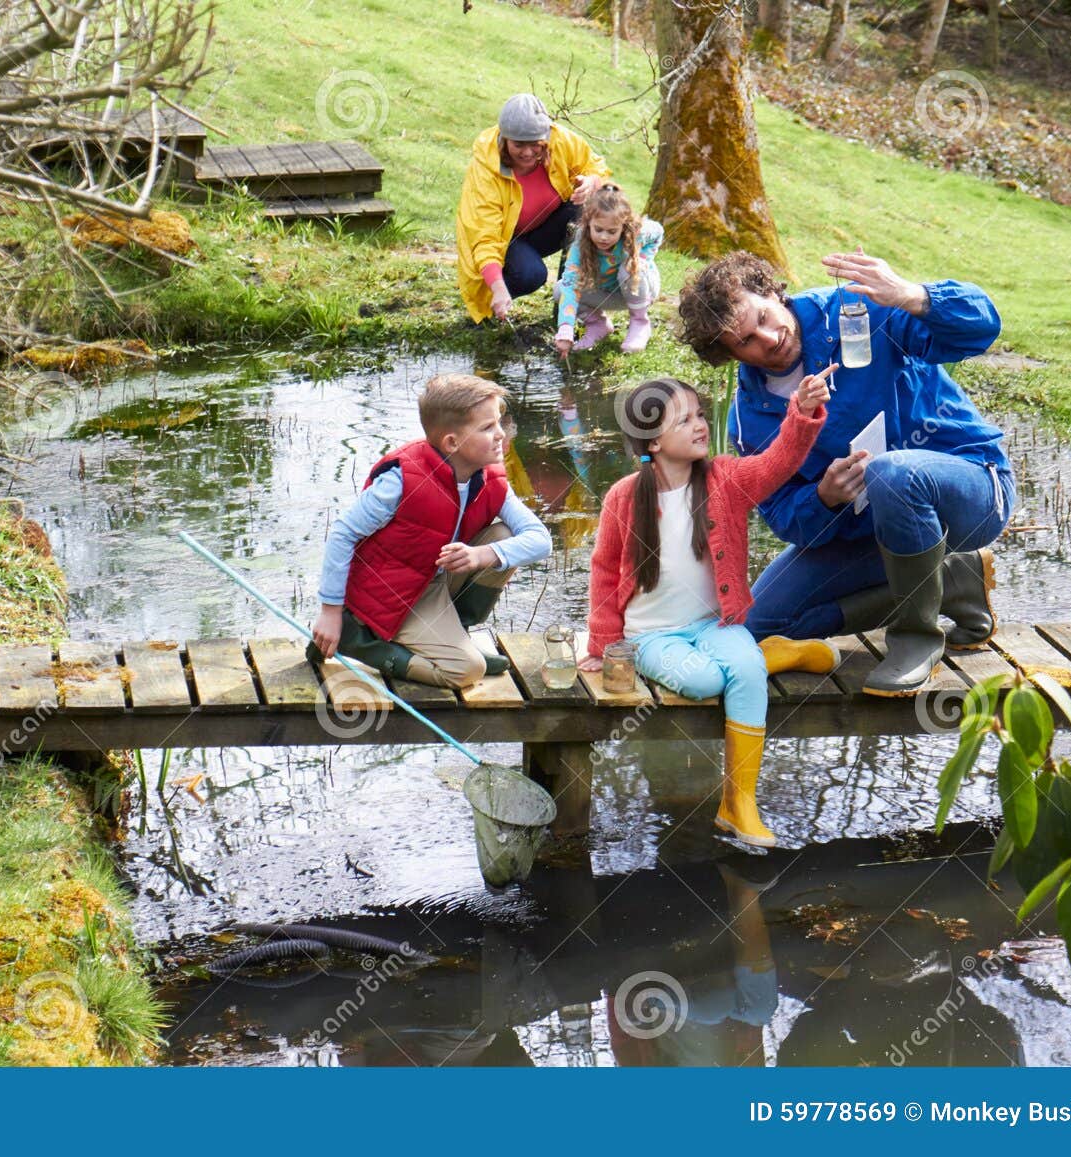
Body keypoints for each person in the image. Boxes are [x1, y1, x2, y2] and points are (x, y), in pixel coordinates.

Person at [676, 249, 1012, 697]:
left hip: (973, 487)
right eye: (746, 340)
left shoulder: (861, 311)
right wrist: (822, 498)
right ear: (729, 353)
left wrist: (912, 296)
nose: (767, 338)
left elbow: (983, 328)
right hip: (874, 533)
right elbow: (784, 518)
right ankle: (951, 581)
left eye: (763, 316)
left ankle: (916, 638)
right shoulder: (750, 417)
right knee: (758, 627)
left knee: (893, 473)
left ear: (772, 292)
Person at [579, 376, 840, 847]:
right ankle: (770, 655)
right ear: (653, 441)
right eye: (686, 420)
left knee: (742, 671)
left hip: (714, 624)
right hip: (651, 637)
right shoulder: (623, 496)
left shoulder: (725, 479)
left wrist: (800, 413)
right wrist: (602, 646)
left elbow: (778, 462)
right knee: (705, 681)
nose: (700, 425)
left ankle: (737, 802)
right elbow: (602, 573)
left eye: (701, 414)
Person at [310, 374, 551, 688]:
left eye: (499, 424)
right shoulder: (401, 481)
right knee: (467, 671)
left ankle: (455, 634)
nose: (500, 435)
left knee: (503, 537)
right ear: (452, 442)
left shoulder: (489, 480)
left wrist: (482, 554)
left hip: (434, 580)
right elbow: (344, 533)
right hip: (396, 595)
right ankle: (362, 643)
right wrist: (330, 609)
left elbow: (540, 540)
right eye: (487, 427)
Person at [455, 93, 612, 324]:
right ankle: (494, 302)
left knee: (589, 205)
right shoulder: (486, 169)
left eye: (536, 145)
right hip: (504, 240)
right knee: (532, 275)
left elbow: (594, 166)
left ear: (546, 138)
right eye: (518, 144)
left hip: (542, 230)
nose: (528, 153)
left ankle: (567, 311)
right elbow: (484, 238)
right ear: (504, 139)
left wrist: (593, 182)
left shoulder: (561, 142)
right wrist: (497, 287)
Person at [553, 183, 664, 355]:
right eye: (598, 230)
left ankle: (640, 322)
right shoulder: (580, 244)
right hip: (611, 294)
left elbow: (658, 232)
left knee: (629, 267)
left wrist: (642, 258)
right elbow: (570, 284)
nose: (604, 237)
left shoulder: (636, 232)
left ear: (623, 227)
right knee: (560, 288)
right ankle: (598, 325)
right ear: (588, 223)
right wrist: (566, 327)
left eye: (612, 232)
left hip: (641, 287)